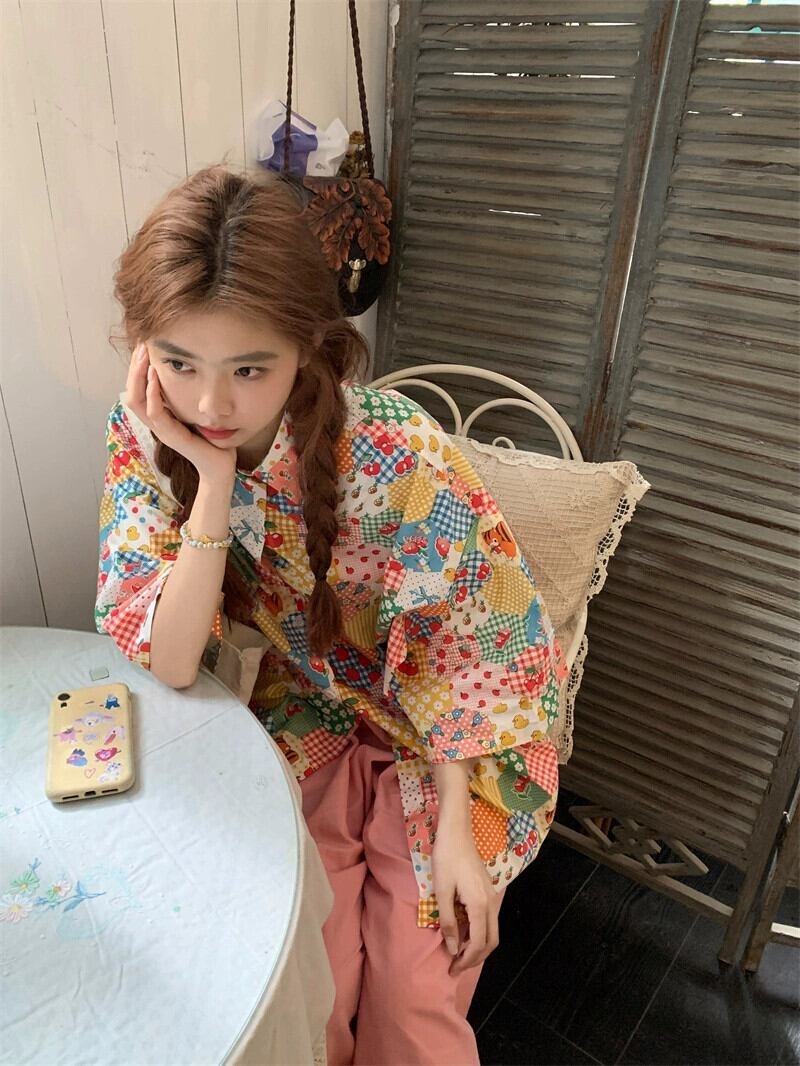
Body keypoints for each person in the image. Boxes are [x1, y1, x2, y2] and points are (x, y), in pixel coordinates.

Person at [95, 163, 569, 1066]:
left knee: (414, 996)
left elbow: (472, 649)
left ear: (308, 346)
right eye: (179, 362)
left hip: (461, 737)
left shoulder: (394, 453)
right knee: (309, 976)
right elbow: (168, 657)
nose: (210, 404)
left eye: (250, 368)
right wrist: (212, 487)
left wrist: (454, 830)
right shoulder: (150, 437)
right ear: (142, 351)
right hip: (313, 710)